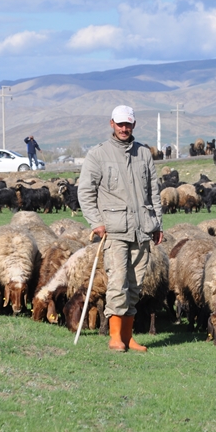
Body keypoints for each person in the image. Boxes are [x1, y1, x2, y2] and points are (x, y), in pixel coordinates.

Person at [77, 105, 163, 353]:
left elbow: (153, 192)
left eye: (128, 124)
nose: (124, 128)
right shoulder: (98, 155)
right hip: (114, 230)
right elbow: (86, 191)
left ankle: (128, 336)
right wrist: (96, 222)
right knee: (117, 282)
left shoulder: (144, 154)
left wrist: (156, 224)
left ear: (134, 125)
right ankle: (115, 336)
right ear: (111, 124)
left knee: (136, 285)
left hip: (142, 229)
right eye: (120, 124)